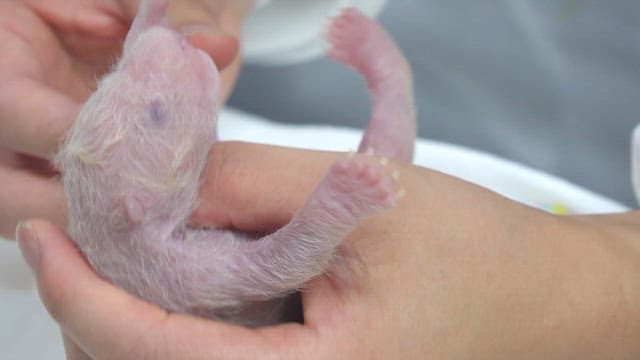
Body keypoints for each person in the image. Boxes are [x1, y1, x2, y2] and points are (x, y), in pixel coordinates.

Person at [3, 0, 640, 358]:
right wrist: (333, 207)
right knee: (379, 194)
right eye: (156, 110)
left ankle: (390, 85)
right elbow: (272, 268)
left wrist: (148, 30)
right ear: (142, 202)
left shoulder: (135, 203)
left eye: (120, 75)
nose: (175, 58)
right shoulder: (170, 253)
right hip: (338, 298)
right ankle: (390, 87)